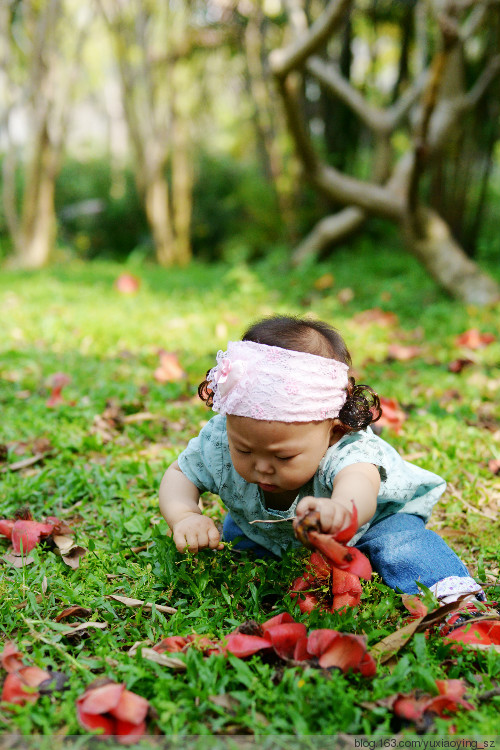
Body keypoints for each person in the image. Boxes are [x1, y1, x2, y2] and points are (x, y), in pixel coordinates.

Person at [159, 315, 487, 608]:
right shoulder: (220, 437)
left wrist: (342, 510)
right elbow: (180, 474)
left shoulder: (347, 448)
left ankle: (454, 601)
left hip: (371, 525)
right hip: (261, 527)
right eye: (243, 450)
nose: (261, 466)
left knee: (402, 547)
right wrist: (184, 515)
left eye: (283, 455)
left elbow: (361, 484)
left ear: (334, 427)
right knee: (236, 547)